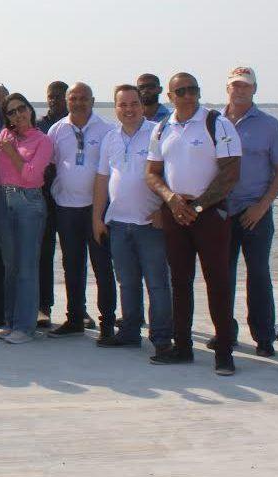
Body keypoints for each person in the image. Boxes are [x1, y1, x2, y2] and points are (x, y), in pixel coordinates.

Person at [145, 72, 243, 375]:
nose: (189, 96)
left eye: (193, 90)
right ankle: (183, 347)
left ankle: (224, 352)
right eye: (182, 91)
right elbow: (152, 173)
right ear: (170, 97)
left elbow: (230, 172)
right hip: (176, 214)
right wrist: (171, 199)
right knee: (180, 282)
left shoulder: (217, 123)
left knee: (218, 283)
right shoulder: (162, 128)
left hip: (210, 216)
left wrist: (198, 206)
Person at [93, 84, 171, 351]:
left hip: (150, 223)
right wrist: (96, 217)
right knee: (126, 283)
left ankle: (161, 338)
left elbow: (169, 175)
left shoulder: (158, 133)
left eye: (133, 104)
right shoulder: (110, 138)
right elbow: (103, 179)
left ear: (142, 104)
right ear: (115, 108)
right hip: (118, 223)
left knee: (158, 284)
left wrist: (163, 209)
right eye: (122, 105)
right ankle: (129, 332)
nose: (129, 110)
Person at [220, 67, 278, 358]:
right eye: (235, 85)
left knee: (258, 274)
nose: (240, 90)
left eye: (246, 86)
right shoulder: (214, 122)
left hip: (255, 211)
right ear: (227, 89)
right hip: (222, 211)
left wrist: (262, 206)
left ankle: (263, 336)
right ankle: (226, 332)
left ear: (254, 89)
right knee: (223, 275)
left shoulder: (270, 125)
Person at [45, 82, 116, 339]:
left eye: (83, 98)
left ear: (93, 100)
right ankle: (74, 318)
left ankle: (108, 323)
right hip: (66, 207)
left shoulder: (107, 129)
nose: (78, 102)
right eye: (73, 98)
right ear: (66, 101)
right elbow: (49, 164)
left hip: (97, 209)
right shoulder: (57, 130)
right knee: (72, 266)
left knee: (102, 266)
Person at [0, 93, 53, 345]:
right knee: (11, 265)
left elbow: (30, 175)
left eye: (21, 109)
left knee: (27, 266)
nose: (18, 115)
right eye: (12, 112)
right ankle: (11, 322)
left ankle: (26, 327)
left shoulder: (43, 140)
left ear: (30, 110)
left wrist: (11, 151)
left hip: (28, 202)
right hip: (3, 200)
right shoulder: (5, 136)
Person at [35, 80, 69, 329]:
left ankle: (78, 310)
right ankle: (43, 307)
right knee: (43, 254)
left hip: (72, 200)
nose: (55, 100)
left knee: (74, 257)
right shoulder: (39, 127)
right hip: (44, 198)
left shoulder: (77, 125)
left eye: (59, 96)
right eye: (51, 96)